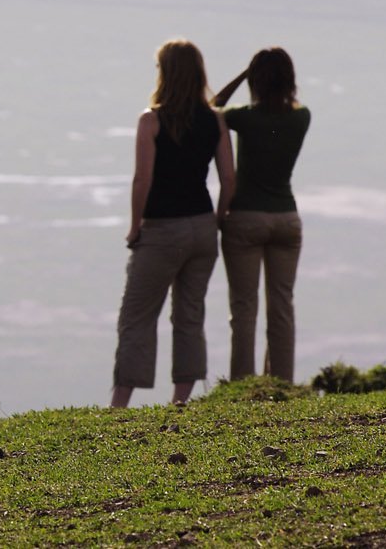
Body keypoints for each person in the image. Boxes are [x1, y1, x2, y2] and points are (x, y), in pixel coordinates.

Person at [111, 39, 235, 408]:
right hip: (201, 227)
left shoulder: (151, 119)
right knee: (190, 315)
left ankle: (120, 402)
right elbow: (229, 179)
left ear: (165, 72)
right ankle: (181, 399)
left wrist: (136, 226)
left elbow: (142, 180)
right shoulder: (214, 120)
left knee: (137, 317)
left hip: (162, 229)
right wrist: (217, 219)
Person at [212, 47, 310, 382]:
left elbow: (212, 107)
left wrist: (243, 75)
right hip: (286, 219)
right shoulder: (301, 117)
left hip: (245, 219)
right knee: (282, 306)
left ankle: (243, 382)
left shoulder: (243, 118)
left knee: (244, 307)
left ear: (256, 81)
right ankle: (281, 382)